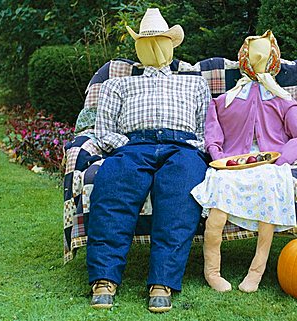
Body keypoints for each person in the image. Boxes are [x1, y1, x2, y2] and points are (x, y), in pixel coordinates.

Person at [86, 8, 211, 312]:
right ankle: (104, 278)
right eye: (147, 41)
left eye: (160, 40)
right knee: (112, 189)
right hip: (133, 145)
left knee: (180, 193)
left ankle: (162, 281)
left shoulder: (194, 82)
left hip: (181, 147)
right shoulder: (119, 84)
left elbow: (207, 128)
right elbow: (104, 128)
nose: (154, 46)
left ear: (172, 44)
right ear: (138, 46)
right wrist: (125, 145)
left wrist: (195, 149)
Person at [191, 30, 297, 293]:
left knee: (269, 194)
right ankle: (212, 270)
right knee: (218, 203)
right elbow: (213, 134)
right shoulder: (225, 101)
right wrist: (219, 158)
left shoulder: (283, 101)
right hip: (232, 163)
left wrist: (281, 161)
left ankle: (256, 271)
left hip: (270, 164)